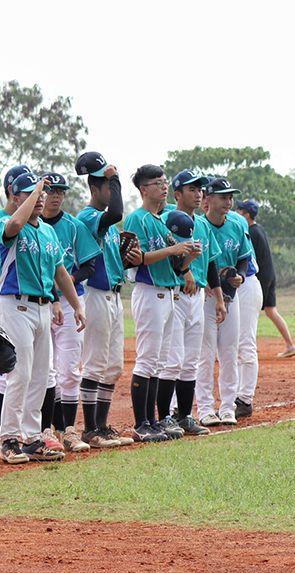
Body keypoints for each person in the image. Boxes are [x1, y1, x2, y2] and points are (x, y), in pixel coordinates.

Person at [0, 172, 85, 464]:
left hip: (42, 307)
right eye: (32, 192)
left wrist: (76, 305)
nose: (41, 196)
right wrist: (35, 192)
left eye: (42, 192)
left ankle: (32, 437)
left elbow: (60, 272)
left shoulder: (46, 230)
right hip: (14, 303)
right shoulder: (5, 224)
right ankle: (7, 439)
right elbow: (14, 225)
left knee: (41, 375)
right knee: (20, 373)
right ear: (15, 196)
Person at [122, 165, 197, 442]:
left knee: (158, 361)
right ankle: (141, 423)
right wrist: (174, 249)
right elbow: (135, 258)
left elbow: (177, 267)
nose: (163, 187)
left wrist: (188, 256)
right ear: (143, 189)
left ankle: (153, 420)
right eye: (157, 183)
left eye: (165, 182)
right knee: (147, 359)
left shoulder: (159, 220)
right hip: (148, 291)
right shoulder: (136, 218)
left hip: (167, 293)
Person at [38, 171, 101, 453]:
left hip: (68, 301)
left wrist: (67, 282)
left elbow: (90, 265)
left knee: (69, 369)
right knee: (44, 369)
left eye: (61, 191)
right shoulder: (29, 225)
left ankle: (69, 430)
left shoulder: (73, 226)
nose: (56, 196)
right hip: (39, 302)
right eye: (51, 190)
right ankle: (46, 429)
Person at [73, 153, 128, 449]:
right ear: (95, 189)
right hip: (96, 296)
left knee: (112, 366)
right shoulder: (89, 217)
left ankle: (103, 427)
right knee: (94, 363)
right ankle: (90, 429)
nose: (113, 193)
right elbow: (116, 213)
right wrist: (114, 177)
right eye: (108, 187)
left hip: (115, 297)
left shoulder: (105, 225)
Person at [162, 169, 220, 436]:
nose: (198, 194)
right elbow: (169, 259)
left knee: (191, 359)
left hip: (197, 296)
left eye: (200, 189)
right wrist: (185, 271)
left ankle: (184, 415)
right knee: (172, 358)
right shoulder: (164, 220)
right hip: (174, 293)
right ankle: (164, 416)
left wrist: (218, 297)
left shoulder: (204, 225)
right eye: (192, 189)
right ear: (177, 193)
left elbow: (210, 263)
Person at [196, 178, 250, 426]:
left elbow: (243, 258)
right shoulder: (198, 226)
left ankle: (228, 407)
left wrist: (239, 275)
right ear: (208, 200)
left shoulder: (237, 226)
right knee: (205, 354)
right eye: (223, 196)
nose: (228, 201)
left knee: (229, 353)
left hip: (231, 297)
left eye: (230, 197)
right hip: (205, 298)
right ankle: (205, 409)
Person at [0, 164, 31, 442]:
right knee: (7, 371)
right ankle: (2, 436)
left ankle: (26, 432)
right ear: (12, 194)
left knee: (30, 373)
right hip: (6, 301)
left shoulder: (38, 227)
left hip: (35, 306)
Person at [236, 200, 295, 358]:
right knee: (271, 311)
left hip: (260, 277)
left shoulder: (251, 232)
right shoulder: (259, 229)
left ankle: (242, 348)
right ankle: (290, 345)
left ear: (246, 215)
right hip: (269, 275)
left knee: (247, 312)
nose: (236, 211)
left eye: (239, 210)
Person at [233, 200, 262, 418]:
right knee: (228, 347)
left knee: (245, 342)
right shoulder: (202, 223)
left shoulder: (237, 222)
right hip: (224, 288)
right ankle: (232, 397)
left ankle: (244, 399)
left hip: (246, 284)